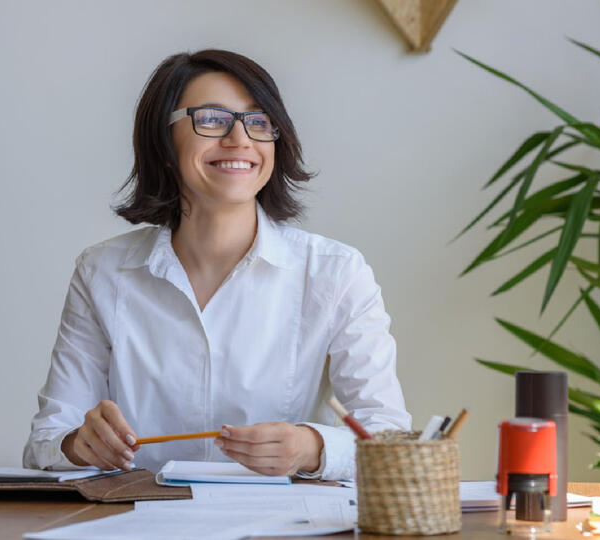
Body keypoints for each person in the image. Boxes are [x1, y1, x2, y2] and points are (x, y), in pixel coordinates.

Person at [23, 49, 411, 481]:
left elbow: (389, 436)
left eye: (258, 121)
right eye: (211, 119)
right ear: (164, 141)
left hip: (279, 523)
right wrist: (79, 444)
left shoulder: (336, 273)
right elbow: (47, 440)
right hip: (139, 520)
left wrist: (313, 448)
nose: (240, 139)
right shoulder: (102, 272)